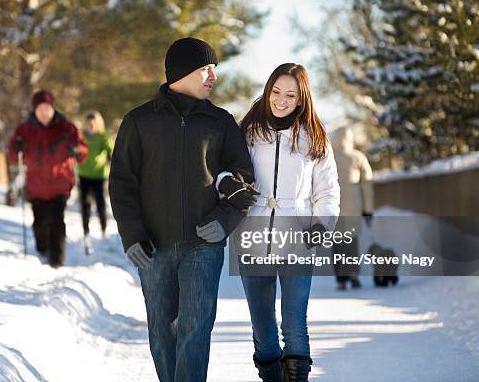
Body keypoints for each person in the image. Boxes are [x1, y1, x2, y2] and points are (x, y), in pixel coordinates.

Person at [109, 37, 255, 382]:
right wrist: (132, 235)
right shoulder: (139, 121)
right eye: (206, 69)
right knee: (162, 333)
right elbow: (122, 184)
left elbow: (243, 180)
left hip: (204, 246)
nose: (213, 77)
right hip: (153, 246)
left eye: (214, 70)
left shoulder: (220, 122)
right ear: (182, 72)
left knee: (195, 330)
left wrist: (224, 221)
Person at [217, 63, 340, 382]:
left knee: (295, 325)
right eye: (276, 91)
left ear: (301, 99)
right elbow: (223, 171)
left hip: (298, 237)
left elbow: (327, 190)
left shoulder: (314, 137)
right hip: (252, 237)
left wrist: (321, 225)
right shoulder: (246, 131)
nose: (281, 100)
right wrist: (228, 186)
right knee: (263, 328)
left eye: (290, 94)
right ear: (268, 89)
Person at [8, 90, 88, 268]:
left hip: (60, 185)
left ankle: (57, 261)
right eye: (40, 108)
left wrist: (77, 151)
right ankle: (43, 250)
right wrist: (16, 148)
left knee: (57, 222)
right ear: (34, 110)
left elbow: (83, 151)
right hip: (36, 186)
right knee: (40, 223)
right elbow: (13, 154)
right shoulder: (25, 129)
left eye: (47, 108)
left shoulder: (67, 128)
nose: (44, 112)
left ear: (52, 108)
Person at [330, 126, 374, 290]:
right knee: (351, 243)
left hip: (332, 209)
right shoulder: (358, 157)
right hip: (353, 209)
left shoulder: (328, 157)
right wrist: (368, 210)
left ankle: (341, 279)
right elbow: (367, 185)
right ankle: (354, 273)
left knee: (337, 244)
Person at [77, 111, 113, 255]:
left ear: (98, 124)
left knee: (100, 203)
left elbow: (109, 148)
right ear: (85, 124)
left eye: (94, 124)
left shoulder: (102, 137)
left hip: (99, 176)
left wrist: (110, 155)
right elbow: (77, 148)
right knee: (84, 204)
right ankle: (86, 231)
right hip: (84, 174)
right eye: (89, 124)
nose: (91, 126)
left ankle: (103, 229)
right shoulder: (81, 137)